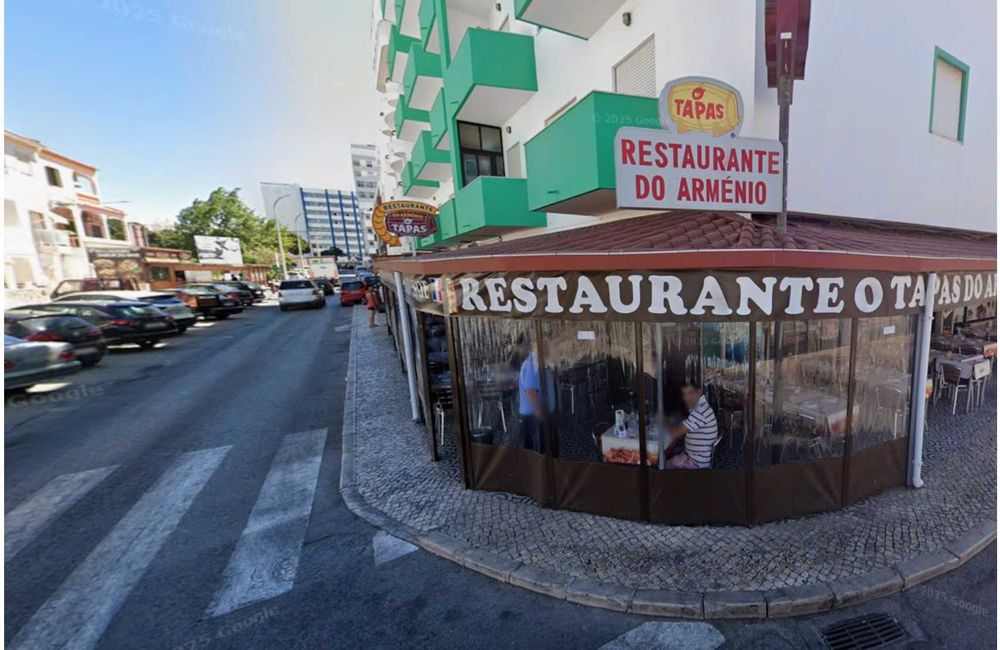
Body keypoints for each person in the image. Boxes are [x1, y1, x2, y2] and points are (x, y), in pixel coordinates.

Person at [664, 381, 718, 469]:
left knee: (663, 465)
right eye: (684, 394)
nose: (686, 398)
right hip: (697, 455)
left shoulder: (700, 412)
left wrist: (662, 423)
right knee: (673, 450)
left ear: (699, 392)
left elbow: (675, 433)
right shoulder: (701, 406)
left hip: (695, 463)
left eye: (690, 394)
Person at [518, 340, 556, 453]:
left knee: (547, 450)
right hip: (534, 417)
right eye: (548, 347)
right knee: (540, 453)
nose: (550, 350)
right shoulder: (533, 364)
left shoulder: (541, 362)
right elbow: (530, 391)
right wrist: (539, 414)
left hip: (540, 415)